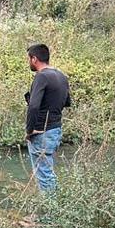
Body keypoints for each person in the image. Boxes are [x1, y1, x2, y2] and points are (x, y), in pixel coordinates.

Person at [24, 44, 70, 193]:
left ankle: (50, 215)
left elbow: (33, 106)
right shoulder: (61, 75)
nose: (29, 62)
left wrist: (30, 130)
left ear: (34, 58)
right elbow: (67, 102)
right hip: (55, 129)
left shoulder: (41, 76)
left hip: (41, 132)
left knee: (44, 175)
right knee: (48, 172)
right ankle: (56, 208)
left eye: (29, 59)